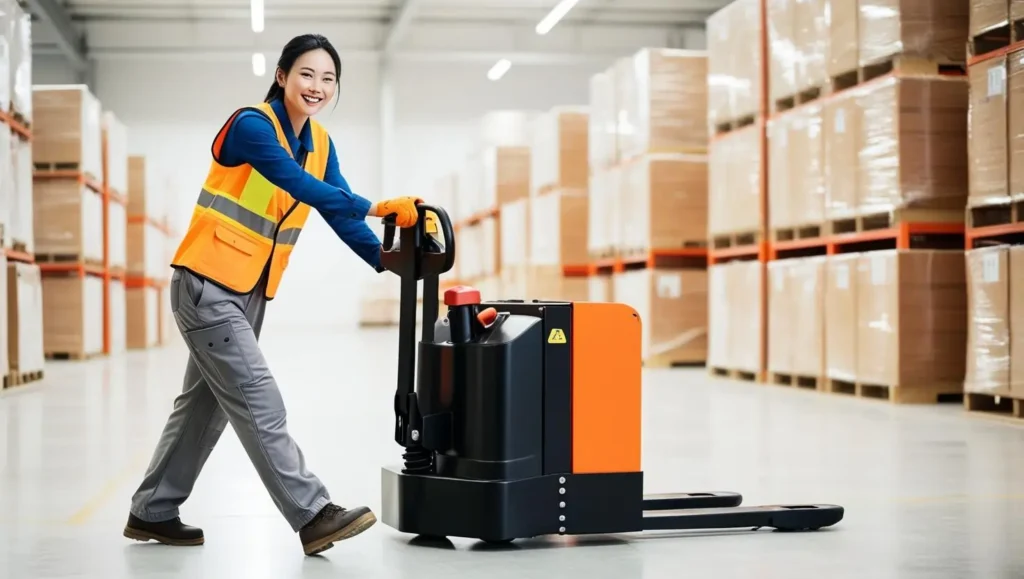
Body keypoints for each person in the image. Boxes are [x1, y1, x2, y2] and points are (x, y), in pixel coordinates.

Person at [121, 33, 422, 557]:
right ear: (282, 76)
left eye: (328, 79)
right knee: (259, 397)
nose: (317, 86)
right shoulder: (251, 125)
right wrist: (376, 206)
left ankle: (153, 509)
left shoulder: (321, 143)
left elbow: (334, 208)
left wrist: (388, 261)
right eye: (306, 74)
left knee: (204, 408)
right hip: (207, 283)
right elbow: (300, 185)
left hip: (249, 291)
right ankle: (312, 514)